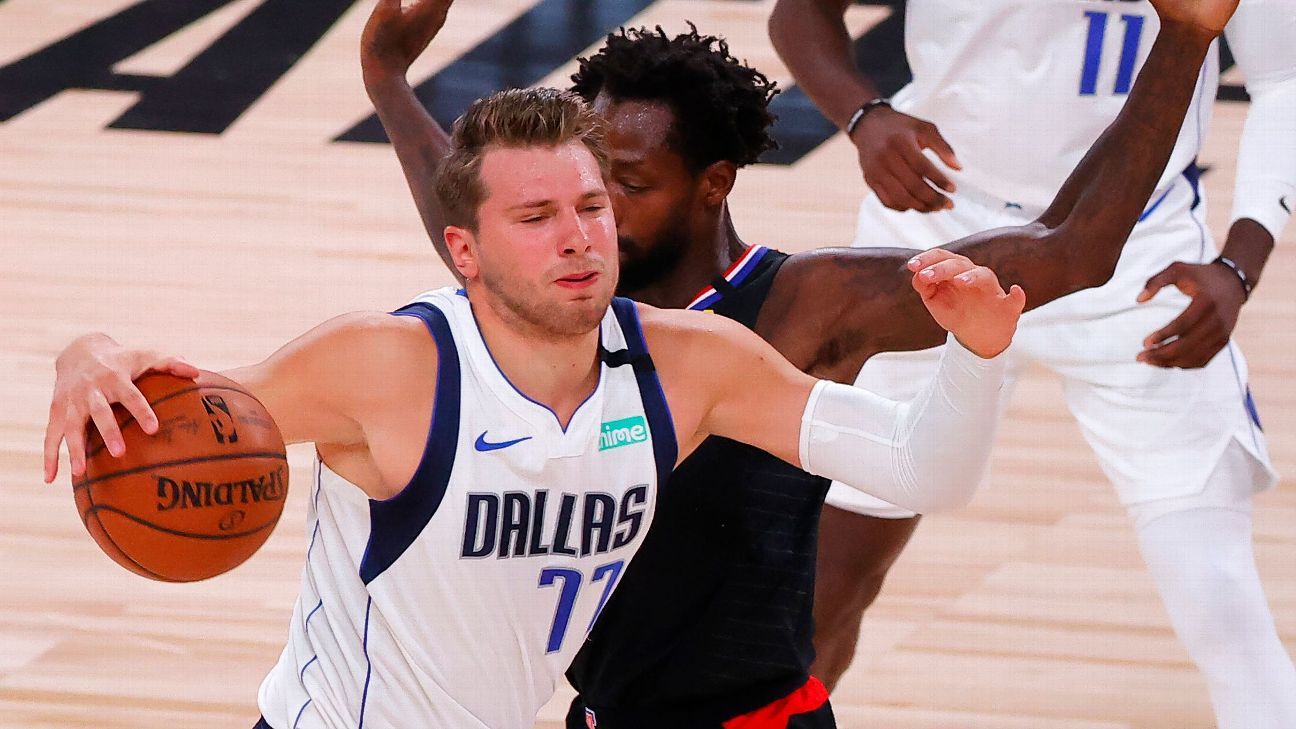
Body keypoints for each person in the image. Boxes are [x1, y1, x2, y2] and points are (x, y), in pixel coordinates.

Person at [358, 0, 1244, 726]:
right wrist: (388, 80)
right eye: (590, 181)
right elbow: (465, 213)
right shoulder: (574, 289)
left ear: (712, 184)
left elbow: (1072, 249)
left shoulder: (805, 307)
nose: (590, 211)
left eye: (627, 183)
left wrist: (1184, 37)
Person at [44, 85, 1023, 728]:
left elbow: (917, 468)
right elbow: (190, 416)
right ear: (465, 251)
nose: (578, 239)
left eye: (592, 206)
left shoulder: (691, 364)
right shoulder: (384, 366)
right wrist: (85, 354)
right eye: (536, 217)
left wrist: (978, 357)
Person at [770, 0, 1296, 725]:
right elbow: (801, 12)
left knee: (1219, 601)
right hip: (935, 230)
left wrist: (1240, 261)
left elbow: (1284, 79)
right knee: (830, 583)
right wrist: (864, 115)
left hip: (1139, 253)